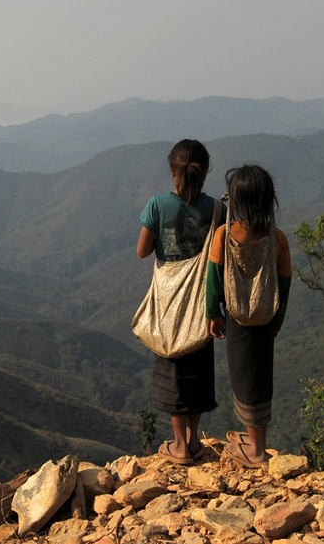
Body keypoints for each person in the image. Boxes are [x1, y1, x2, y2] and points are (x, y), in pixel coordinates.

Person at [136, 138, 220, 465]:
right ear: (205, 171)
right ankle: (195, 444)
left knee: (172, 365)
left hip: (169, 303)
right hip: (202, 301)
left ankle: (179, 446)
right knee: (197, 367)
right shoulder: (217, 209)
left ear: (173, 171)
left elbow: (142, 251)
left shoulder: (157, 206)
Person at [206, 163, 292, 468]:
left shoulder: (224, 236)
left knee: (243, 380)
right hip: (266, 319)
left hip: (236, 319)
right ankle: (256, 438)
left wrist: (212, 313)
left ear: (236, 201)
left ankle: (256, 452)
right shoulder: (277, 238)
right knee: (260, 379)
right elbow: (284, 283)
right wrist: (277, 322)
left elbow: (213, 279)